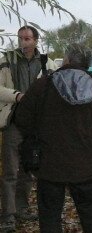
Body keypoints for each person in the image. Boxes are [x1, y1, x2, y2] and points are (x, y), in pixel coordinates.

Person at [15, 44, 92, 233]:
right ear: (87, 63)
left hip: (49, 165)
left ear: (67, 60)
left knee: (50, 218)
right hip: (86, 167)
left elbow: (22, 118)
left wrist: (37, 141)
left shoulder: (43, 86)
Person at [0, 26, 57, 232]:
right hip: (13, 121)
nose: (23, 42)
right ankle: (7, 215)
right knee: (9, 171)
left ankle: (22, 208)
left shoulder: (46, 62)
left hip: (36, 124)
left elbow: (55, 88)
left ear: (36, 40)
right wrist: (17, 96)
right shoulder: (7, 59)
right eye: (20, 38)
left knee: (28, 169)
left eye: (27, 38)